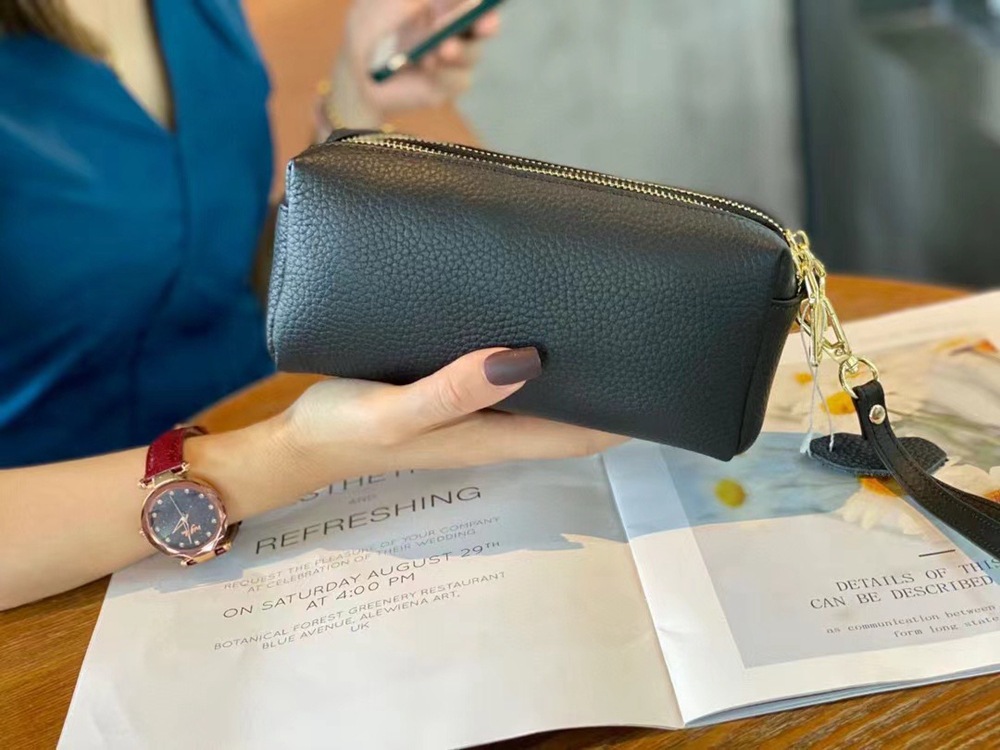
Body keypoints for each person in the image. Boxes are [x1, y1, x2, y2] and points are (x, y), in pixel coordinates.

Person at [0, 0, 623, 611]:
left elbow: (208, 256)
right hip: (66, 557)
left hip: (273, 426)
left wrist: (355, 100)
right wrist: (287, 456)